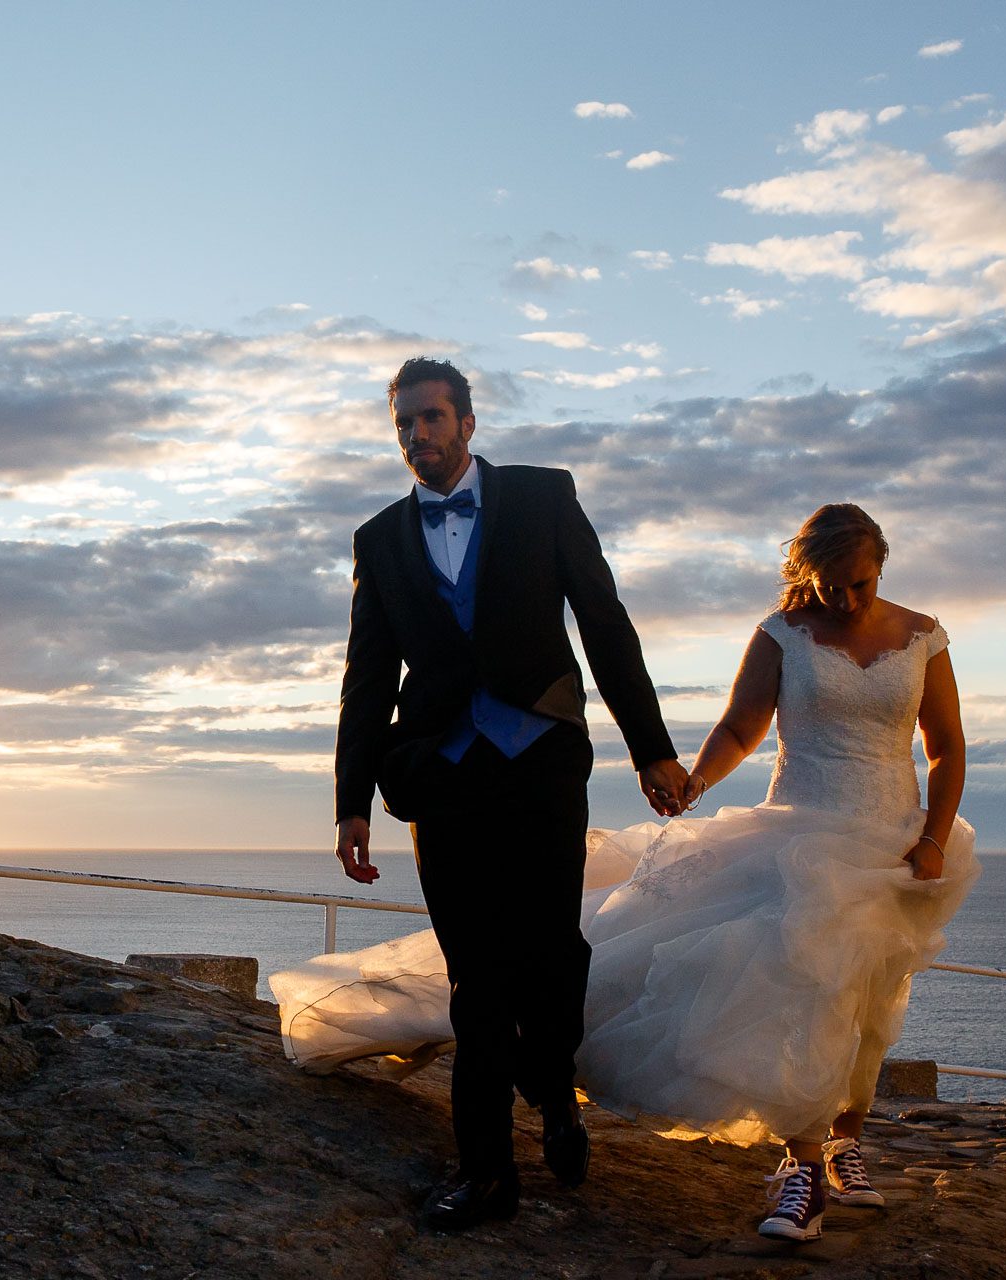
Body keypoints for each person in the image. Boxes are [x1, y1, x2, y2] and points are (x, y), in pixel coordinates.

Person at [275, 500, 978, 1245]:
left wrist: (932, 837)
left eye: (861, 584)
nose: (847, 599)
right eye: (832, 586)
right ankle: (800, 1168)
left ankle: (845, 1144)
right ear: (808, 575)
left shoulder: (921, 636)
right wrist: (694, 780)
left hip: (895, 840)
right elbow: (743, 725)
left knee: (870, 999)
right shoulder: (784, 636)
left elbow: (946, 746)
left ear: (880, 566)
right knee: (808, 992)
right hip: (799, 836)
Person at [322, 356, 689, 1231]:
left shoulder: (543, 498)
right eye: (405, 424)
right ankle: (486, 1172)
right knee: (477, 976)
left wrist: (653, 751)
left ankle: (553, 1085)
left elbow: (605, 625)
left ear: (468, 424)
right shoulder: (379, 540)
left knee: (551, 954)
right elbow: (366, 679)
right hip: (441, 777)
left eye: (433, 419)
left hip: (541, 762)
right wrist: (351, 803)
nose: (419, 437)